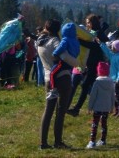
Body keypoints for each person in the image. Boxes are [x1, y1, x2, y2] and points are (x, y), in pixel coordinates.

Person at [39, 20, 78, 150]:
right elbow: (64, 56)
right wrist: (77, 63)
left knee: (48, 110)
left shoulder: (40, 42)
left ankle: (43, 142)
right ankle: (58, 142)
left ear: (46, 27)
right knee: (60, 111)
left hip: (47, 78)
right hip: (62, 77)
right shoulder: (56, 41)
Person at [67, 14, 107, 116]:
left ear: (93, 22)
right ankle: (102, 106)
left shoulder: (98, 33)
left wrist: (80, 41)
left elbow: (95, 46)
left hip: (95, 63)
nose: (87, 24)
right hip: (89, 62)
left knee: (86, 85)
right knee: (91, 86)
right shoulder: (91, 33)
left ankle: (77, 109)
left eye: (88, 22)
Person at [86, 62, 116, 149]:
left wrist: (89, 107)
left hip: (97, 107)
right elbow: (112, 96)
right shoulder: (111, 83)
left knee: (95, 124)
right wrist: (111, 107)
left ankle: (92, 141)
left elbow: (93, 96)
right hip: (106, 107)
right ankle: (103, 140)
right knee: (104, 124)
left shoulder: (97, 83)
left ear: (98, 72)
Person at [102, 40, 119, 117]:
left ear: (117, 48)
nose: (111, 48)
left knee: (117, 96)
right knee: (113, 95)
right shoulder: (113, 55)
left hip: (118, 80)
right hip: (112, 79)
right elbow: (107, 52)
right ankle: (116, 110)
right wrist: (101, 44)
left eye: (113, 47)